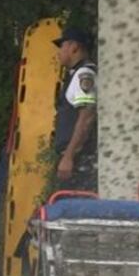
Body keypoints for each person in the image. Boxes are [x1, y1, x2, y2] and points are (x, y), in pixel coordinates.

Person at [52, 27, 98, 191]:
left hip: (79, 158)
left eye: (62, 46)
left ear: (74, 47)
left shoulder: (83, 75)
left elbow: (86, 117)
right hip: (73, 157)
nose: (59, 52)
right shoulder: (76, 74)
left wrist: (69, 156)